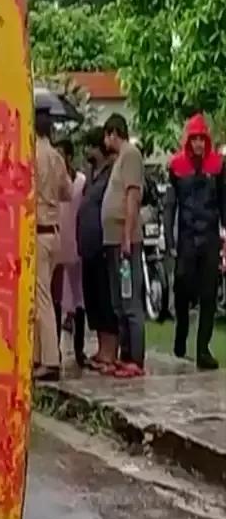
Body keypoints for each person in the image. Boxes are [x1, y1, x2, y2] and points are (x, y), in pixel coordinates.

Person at [164, 113, 226, 370]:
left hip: (210, 236)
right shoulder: (176, 167)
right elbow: (170, 205)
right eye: (195, 139)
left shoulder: (218, 166)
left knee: (209, 295)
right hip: (187, 237)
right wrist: (169, 237)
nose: (199, 144)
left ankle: (203, 349)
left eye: (202, 139)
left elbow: (224, 203)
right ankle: (181, 331)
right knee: (182, 288)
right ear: (188, 141)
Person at [101, 113, 146, 375]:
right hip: (113, 240)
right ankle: (125, 352)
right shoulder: (120, 159)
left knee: (129, 300)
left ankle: (135, 358)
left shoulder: (130, 155)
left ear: (113, 133)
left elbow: (132, 196)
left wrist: (127, 235)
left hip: (123, 239)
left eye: (107, 136)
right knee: (119, 299)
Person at [34, 108, 73, 380]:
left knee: (41, 296)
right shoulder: (56, 157)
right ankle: (39, 355)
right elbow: (68, 192)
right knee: (41, 293)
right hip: (54, 231)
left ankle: (49, 358)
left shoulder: (30, 155)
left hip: (37, 231)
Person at [79, 136, 117, 370]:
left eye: (90, 145)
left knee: (105, 299)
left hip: (102, 244)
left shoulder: (110, 175)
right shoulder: (92, 175)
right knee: (93, 298)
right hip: (87, 246)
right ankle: (102, 350)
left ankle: (110, 352)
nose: (87, 151)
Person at [56, 139, 87, 366]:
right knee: (56, 296)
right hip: (57, 244)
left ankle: (79, 348)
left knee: (79, 298)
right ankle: (54, 347)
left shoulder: (80, 182)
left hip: (76, 243)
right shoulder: (53, 182)